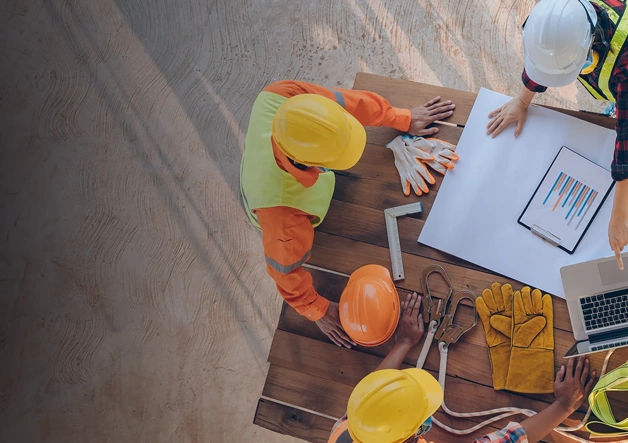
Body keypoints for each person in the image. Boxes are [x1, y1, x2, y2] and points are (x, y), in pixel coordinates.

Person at [240, 80, 455, 348]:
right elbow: (283, 272)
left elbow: (347, 102)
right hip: (271, 202)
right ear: (311, 164)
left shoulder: (282, 95)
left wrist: (400, 118)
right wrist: (315, 309)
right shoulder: (284, 221)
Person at [329, 292, 597, 443]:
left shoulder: (347, 432)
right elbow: (510, 440)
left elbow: (375, 396)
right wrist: (564, 406)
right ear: (410, 436)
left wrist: (403, 344)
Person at [487, 0, 628, 269]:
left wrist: (620, 215)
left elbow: (626, 140)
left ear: (592, 48)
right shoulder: (559, 16)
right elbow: (547, 58)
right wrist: (521, 101)